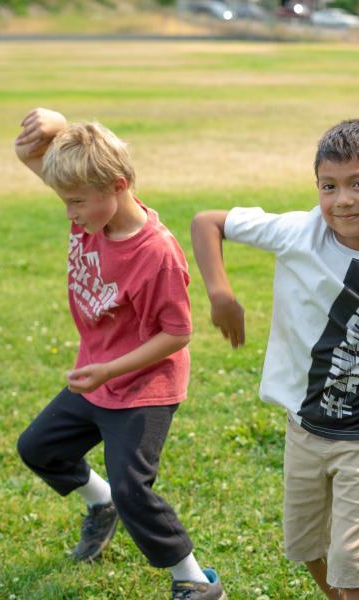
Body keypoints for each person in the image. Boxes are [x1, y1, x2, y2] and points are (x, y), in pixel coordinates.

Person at [191, 119, 359, 599]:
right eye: (329, 186)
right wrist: (221, 295)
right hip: (304, 427)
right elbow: (207, 222)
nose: (342, 200)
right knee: (304, 545)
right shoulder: (298, 233)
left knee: (353, 559)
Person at [13, 108, 226, 600]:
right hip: (98, 376)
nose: (69, 213)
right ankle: (100, 503)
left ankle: (194, 581)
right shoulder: (92, 210)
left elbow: (177, 333)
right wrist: (55, 123)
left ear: (119, 184)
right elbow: (29, 153)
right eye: (66, 200)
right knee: (38, 448)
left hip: (144, 387)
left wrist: (109, 368)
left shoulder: (155, 253)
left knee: (135, 488)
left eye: (75, 203)